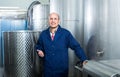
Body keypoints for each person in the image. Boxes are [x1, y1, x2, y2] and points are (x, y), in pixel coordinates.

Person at [35, 12, 88, 77]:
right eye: (51, 19)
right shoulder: (43, 34)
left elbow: (76, 46)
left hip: (61, 70)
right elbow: (39, 45)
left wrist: (84, 59)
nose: (53, 21)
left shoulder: (65, 34)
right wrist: (39, 50)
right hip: (48, 70)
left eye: (55, 19)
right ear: (48, 20)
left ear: (59, 21)